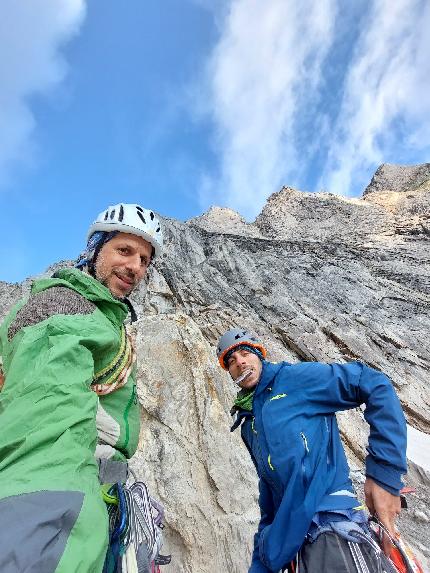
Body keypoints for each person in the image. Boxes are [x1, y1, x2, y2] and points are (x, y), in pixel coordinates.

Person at [0, 203, 163, 572]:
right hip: (65, 490)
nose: (136, 267)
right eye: (124, 250)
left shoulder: (103, 317)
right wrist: (50, 520)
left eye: (144, 259)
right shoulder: (63, 308)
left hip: (101, 490)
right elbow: (49, 415)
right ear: (94, 250)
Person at [216, 328, 408, 573]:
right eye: (230, 362)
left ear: (259, 355)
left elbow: (372, 383)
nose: (239, 362)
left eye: (245, 353)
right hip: (297, 543)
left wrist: (384, 475)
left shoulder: (295, 379)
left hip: (332, 526)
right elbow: (271, 496)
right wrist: (262, 562)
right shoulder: (249, 423)